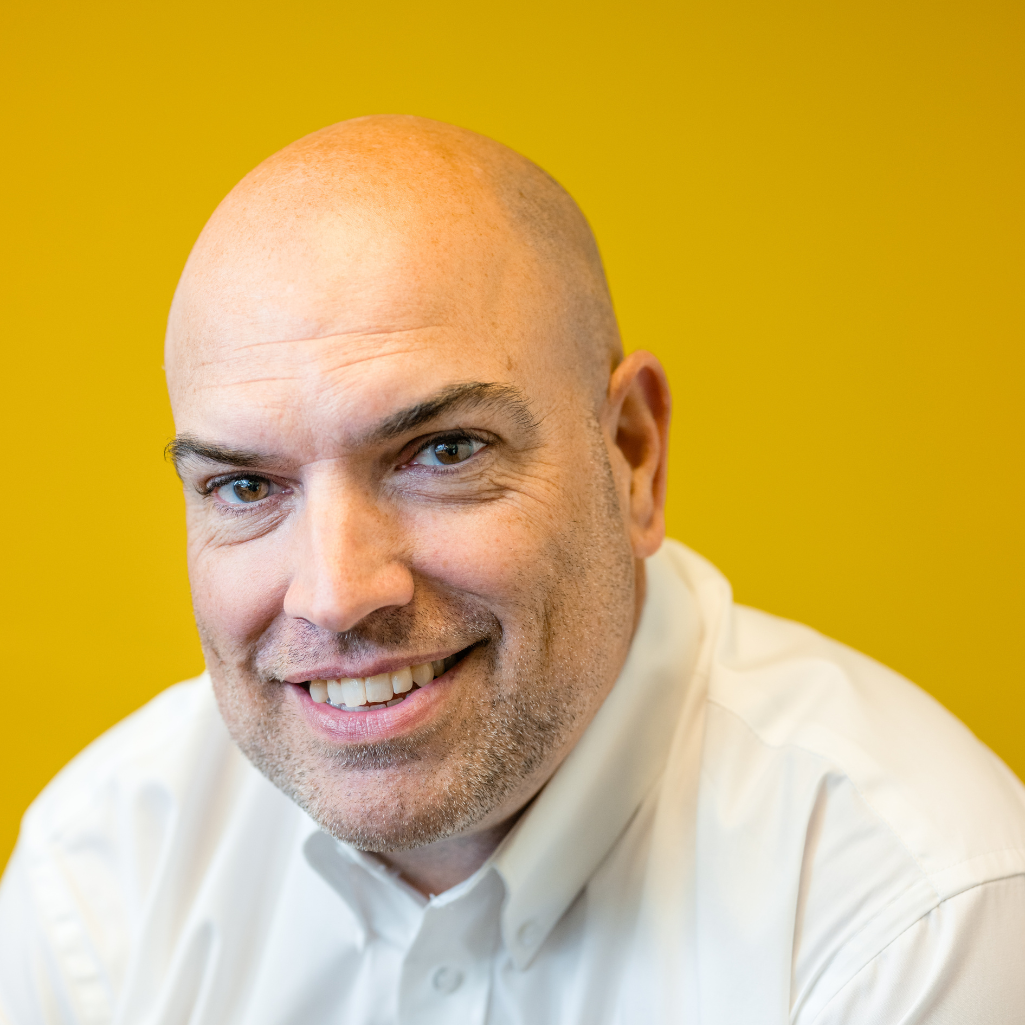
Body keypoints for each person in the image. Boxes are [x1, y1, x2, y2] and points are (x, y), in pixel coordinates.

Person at [1, 115, 1022, 1025]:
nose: (335, 591)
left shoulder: (917, 914)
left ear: (630, 453)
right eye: (242, 486)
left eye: (442, 451)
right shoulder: (95, 884)